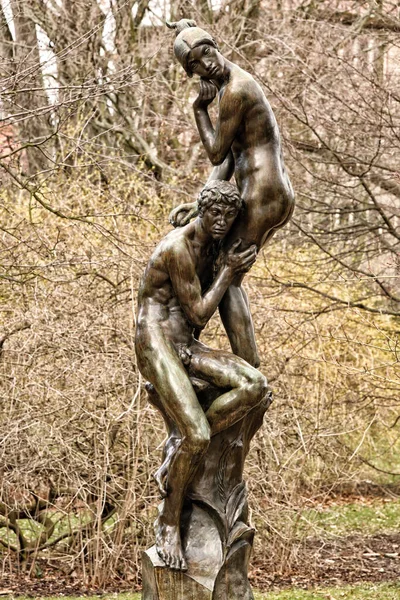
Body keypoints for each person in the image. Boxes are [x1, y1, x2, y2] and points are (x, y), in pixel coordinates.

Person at [135, 180, 268, 571]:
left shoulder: (213, 237)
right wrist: (227, 271)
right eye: (217, 214)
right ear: (203, 211)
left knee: (256, 386)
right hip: (156, 340)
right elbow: (198, 314)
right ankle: (168, 521)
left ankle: (180, 453)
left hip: (186, 343)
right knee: (196, 433)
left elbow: (223, 166)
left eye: (230, 215)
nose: (224, 221)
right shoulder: (178, 247)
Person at [168, 19, 295, 368]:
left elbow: (216, 153)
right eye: (194, 64)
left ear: (215, 45)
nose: (205, 64)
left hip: (263, 194)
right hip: (268, 193)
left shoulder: (236, 90)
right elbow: (227, 163)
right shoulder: (227, 87)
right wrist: (199, 205)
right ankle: (212, 345)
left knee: (229, 272)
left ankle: (249, 369)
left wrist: (197, 110)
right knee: (222, 268)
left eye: (205, 52)